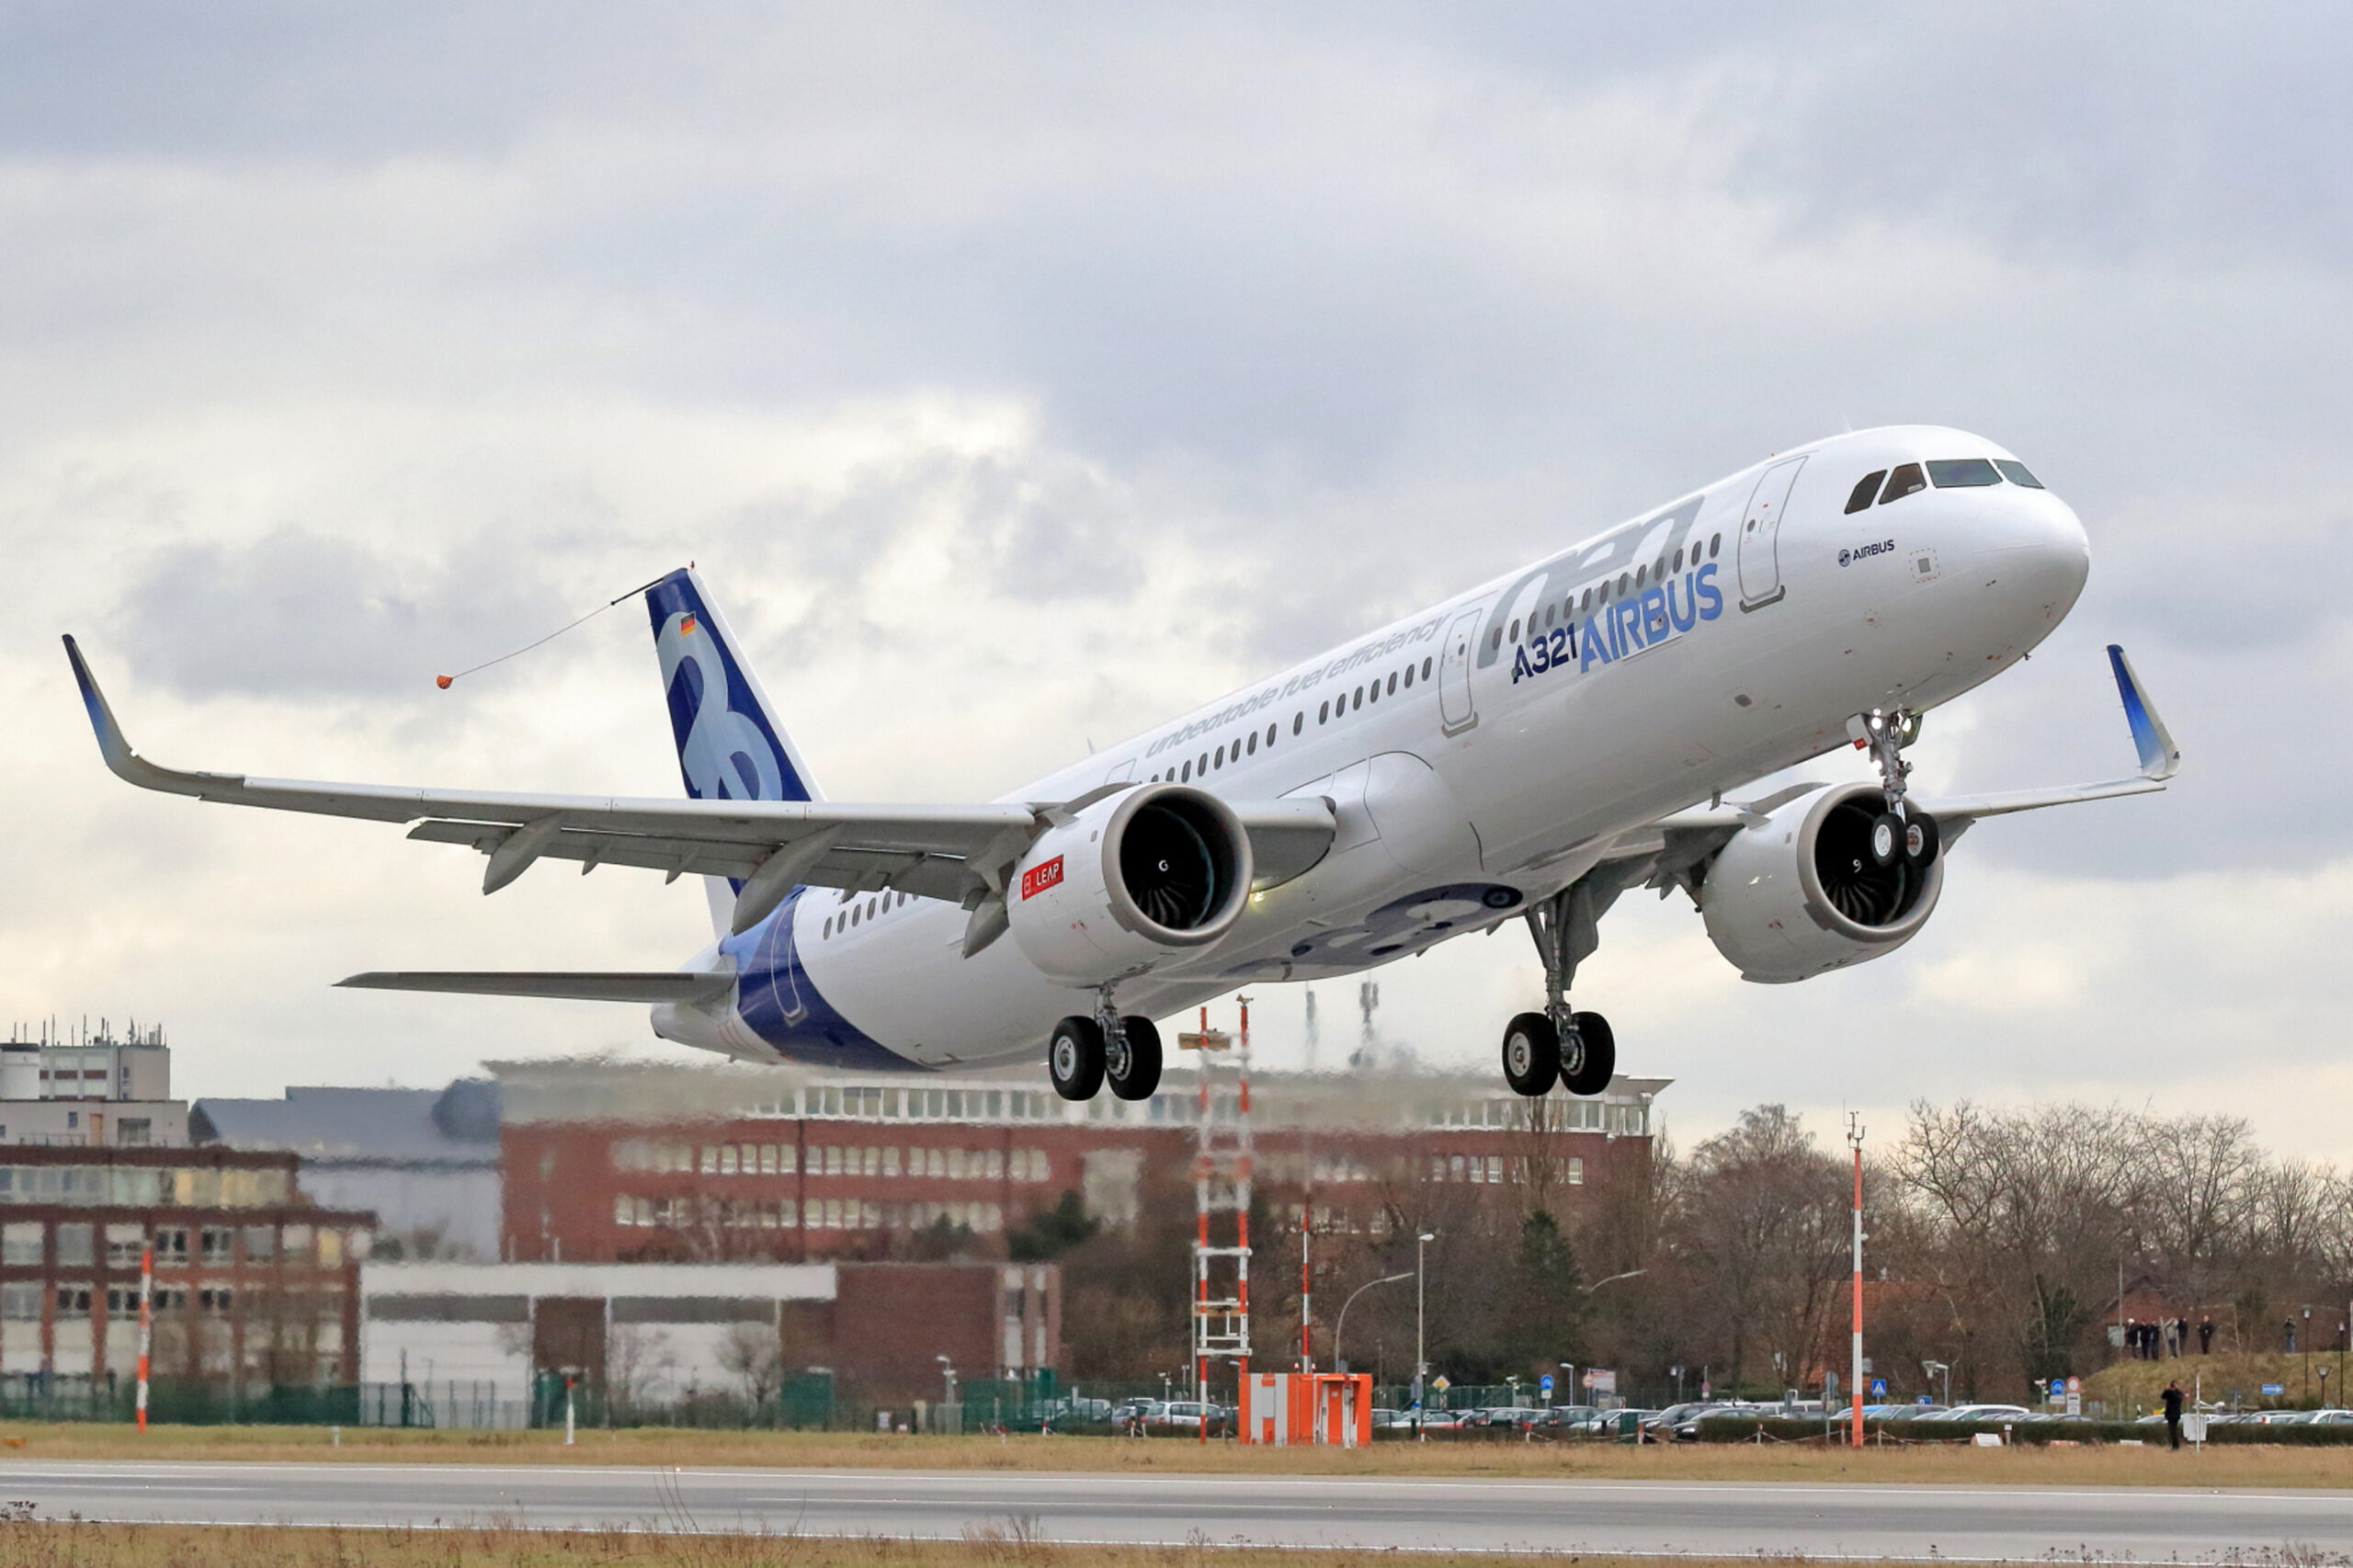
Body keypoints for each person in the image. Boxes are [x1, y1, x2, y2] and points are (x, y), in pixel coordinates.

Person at [2162, 1381, 2185, 1450]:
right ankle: (2174, 1445)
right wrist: (2166, 1390)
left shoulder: (2178, 1393)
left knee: (2173, 1430)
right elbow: (2163, 1396)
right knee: (2171, 1431)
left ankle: (2176, 1446)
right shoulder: (2169, 1392)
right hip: (2169, 1414)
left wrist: (2173, 1391)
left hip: (2175, 1414)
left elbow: (2178, 1399)